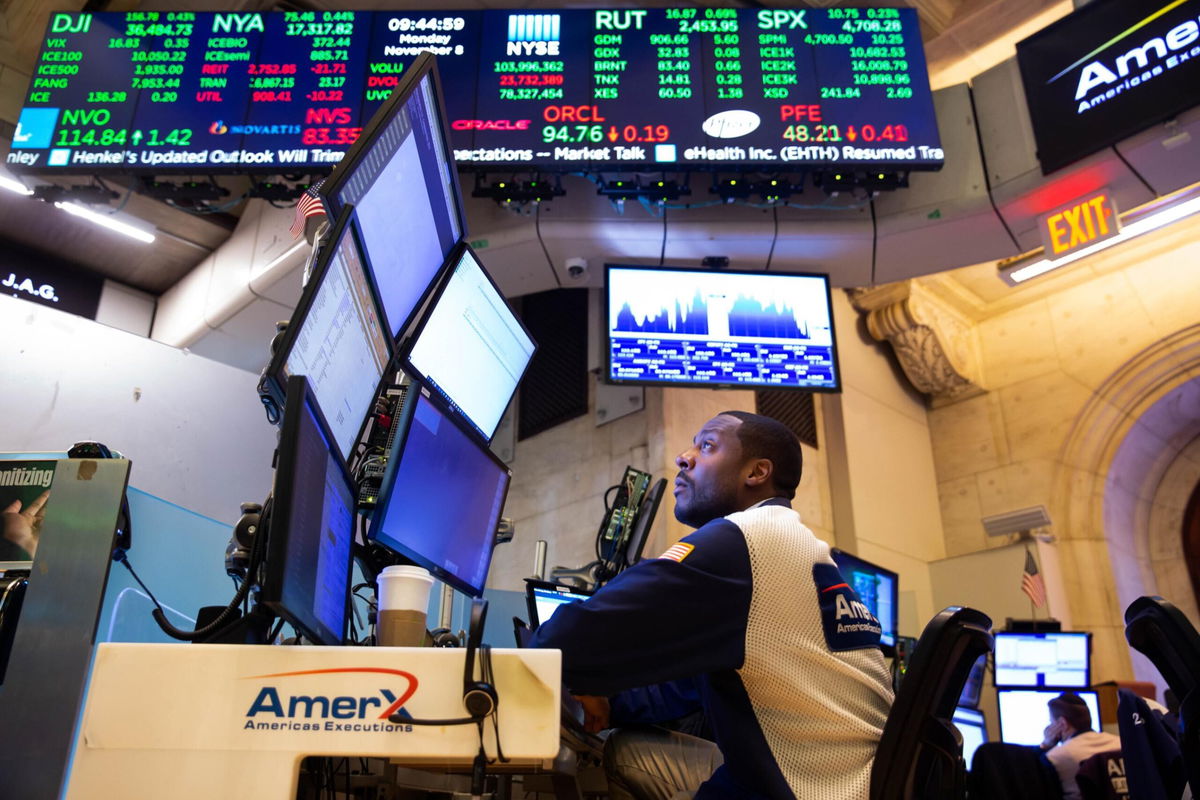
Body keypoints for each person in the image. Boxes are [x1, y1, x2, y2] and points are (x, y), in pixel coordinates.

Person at [530, 411, 894, 800]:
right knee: (627, 747)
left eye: (707, 446)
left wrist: (556, 665)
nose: (683, 458)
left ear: (756, 472)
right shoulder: (803, 548)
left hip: (798, 790)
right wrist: (608, 701)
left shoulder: (740, 542)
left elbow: (565, 641)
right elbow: (686, 688)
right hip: (852, 779)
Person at [1040, 692, 1120, 800]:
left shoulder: (1055, 757)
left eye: (1051, 722)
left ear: (1062, 723)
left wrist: (1044, 746)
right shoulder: (1120, 743)